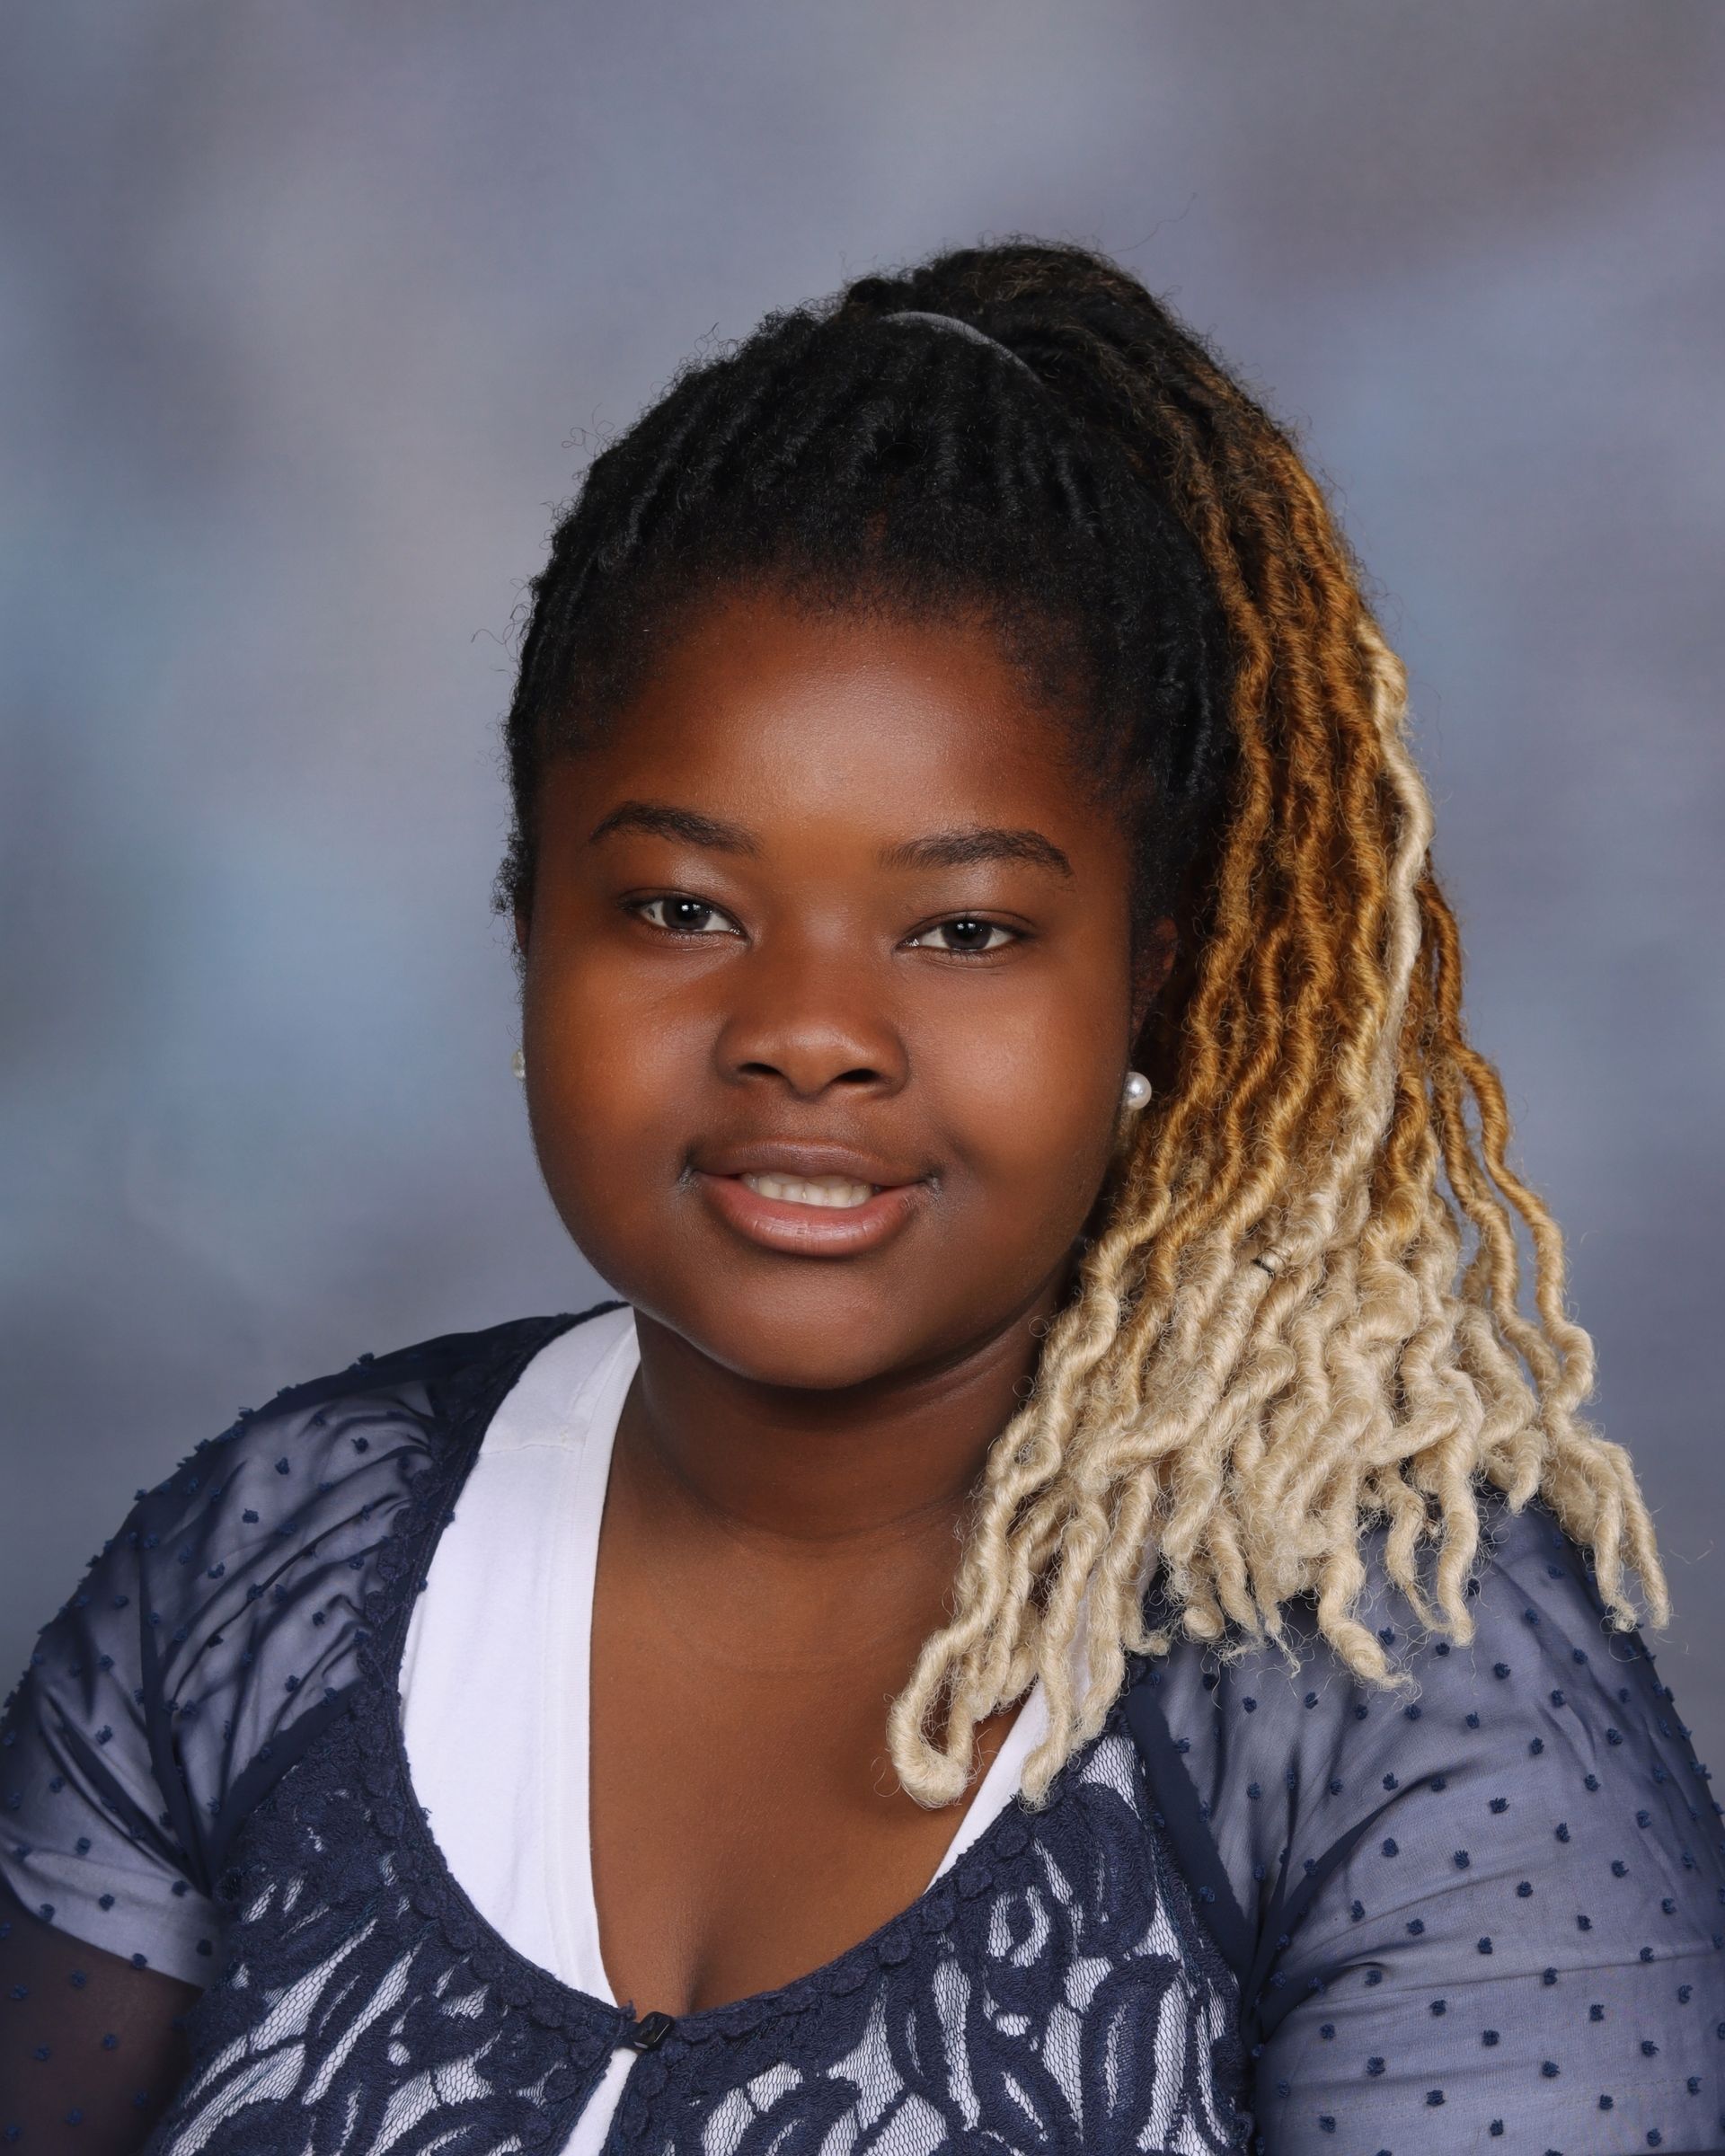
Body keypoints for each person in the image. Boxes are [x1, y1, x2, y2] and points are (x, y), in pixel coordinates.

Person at [2, 241, 1721, 2156]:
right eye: (680, 909)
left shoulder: (1408, 1688)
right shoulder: (265, 1568)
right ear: (527, 925)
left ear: (1155, 975)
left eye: (967, 929)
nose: (810, 1033)